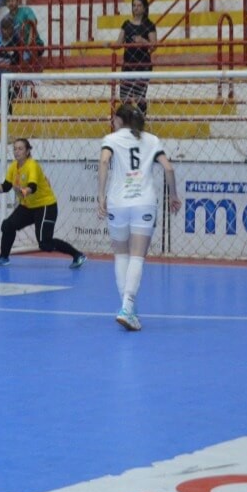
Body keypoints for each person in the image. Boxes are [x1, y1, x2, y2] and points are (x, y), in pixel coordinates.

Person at [97, 104, 181, 331]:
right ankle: (128, 307)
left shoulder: (112, 139)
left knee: (121, 254)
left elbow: (104, 162)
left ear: (120, 120)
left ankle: (127, 308)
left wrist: (101, 196)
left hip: (118, 202)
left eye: (114, 119)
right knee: (137, 257)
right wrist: (173, 195)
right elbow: (169, 168)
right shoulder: (151, 140)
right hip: (144, 202)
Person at [0, 138, 86, 269]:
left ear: (27, 151)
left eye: (20, 148)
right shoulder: (13, 167)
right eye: (15, 148)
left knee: (45, 244)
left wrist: (26, 190)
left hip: (45, 206)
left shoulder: (32, 165)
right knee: (8, 225)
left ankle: (77, 255)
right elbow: (6, 186)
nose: (17, 151)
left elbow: (33, 186)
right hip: (28, 207)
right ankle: (4, 257)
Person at [110, 0, 157, 113]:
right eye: (134, 5)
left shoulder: (149, 25)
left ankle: (140, 122)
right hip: (128, 65)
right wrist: (109, 45)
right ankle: (128, 123)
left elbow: (154, 46)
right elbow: (118, 43)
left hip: (143, 65)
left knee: (139, 98)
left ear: (144, 8)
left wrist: (143, 41)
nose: (136, 8)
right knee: (124, 97)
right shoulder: (127, 24)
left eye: (139, 5)